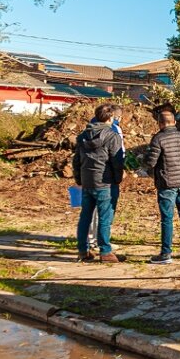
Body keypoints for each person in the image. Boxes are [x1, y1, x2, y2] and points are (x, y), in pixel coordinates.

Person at [141, 106, 180, 264]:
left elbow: (151, 162)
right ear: (174, 122)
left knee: (167, 218)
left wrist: (143, 160)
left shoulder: (158, 138)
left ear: (160, 123)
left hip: (167, 182)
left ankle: (166, 253)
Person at [72, 103, 123, 263]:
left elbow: (76, 161)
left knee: (85, 216)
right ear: (110, 117)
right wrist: (117, 179)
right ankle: (105, 251)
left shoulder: (83, 136)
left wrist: (79, 180)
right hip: (105, 182)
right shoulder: (112, 136)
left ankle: (83, 250)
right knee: (105, 218)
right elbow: (117, 161)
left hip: (87, 181)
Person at [86, 104, 125, 252]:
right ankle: (103, 243)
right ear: (113, 117)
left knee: (91, 209)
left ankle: (90, 240)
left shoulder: (88, 130)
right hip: (105, 177)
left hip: (88, 175)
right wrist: (118, 177)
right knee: (105, 211)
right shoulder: (114, 131)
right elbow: (118, 156)